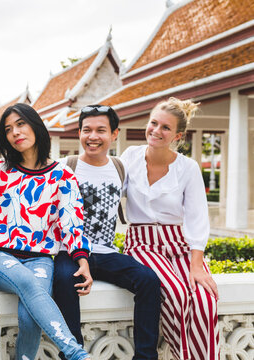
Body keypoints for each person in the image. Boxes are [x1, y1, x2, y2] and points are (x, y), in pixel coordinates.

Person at [0, 103, 91, 360]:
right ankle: (77, 354)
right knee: (29, 285)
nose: (14, 132)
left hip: (40, 258)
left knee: (30, 317)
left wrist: (82, 261)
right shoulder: (0, 170)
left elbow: (71, 222)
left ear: (35, 126)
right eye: (8, 129)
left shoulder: (63, 174)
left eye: (20, 124)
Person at [53, 104, 161, 360]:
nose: (93, 136)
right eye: (86, 130)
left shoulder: (120, 168)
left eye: (101, 130)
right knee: (64, 281)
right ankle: (73, 353)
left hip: (106, 252)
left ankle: (146, 356)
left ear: (114, 134)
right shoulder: (63, 168)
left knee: (149, 281)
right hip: (69, 251)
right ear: (78, 133)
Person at [120, 97, 220, 360]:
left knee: (204, 298)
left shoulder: (188, 168)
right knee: (176, 293)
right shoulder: (129, 157)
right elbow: (106, 191)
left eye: (165, 127)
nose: (156, 131)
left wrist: (196, 265)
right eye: (153, 123)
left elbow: (198, 217)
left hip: (179, 243)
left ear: (178, 135)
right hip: (142, 243)